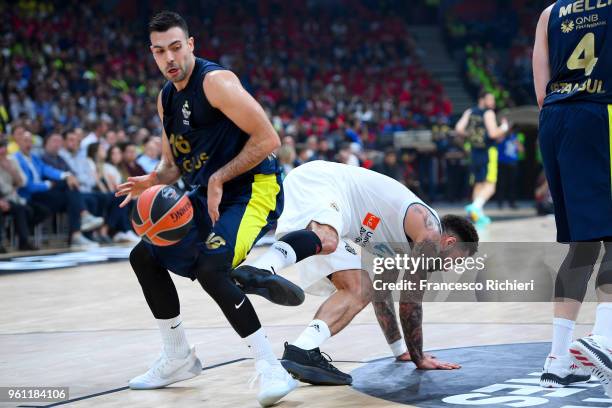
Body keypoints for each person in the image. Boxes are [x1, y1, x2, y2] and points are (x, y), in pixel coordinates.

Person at [115, 11, 301, 406]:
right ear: (152, 54)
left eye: (177, 48)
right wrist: (152, 180)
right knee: (143, 256)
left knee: (211, 267)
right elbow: (170, 167)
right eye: (160, 51)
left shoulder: (216, 82)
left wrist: (218, 178)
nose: (170, 58)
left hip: (253, 189)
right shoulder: (165, 98)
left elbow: (269, 139)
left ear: (191, 45)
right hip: (206, 193)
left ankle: (272, 368)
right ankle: (178, 356)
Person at [232, 160, 478, 385]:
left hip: (339, 218)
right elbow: (410, 302)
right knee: (327, 239)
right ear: (449, 242)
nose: (450, 268)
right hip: (322, 183)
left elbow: (382, 297)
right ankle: (263, 268)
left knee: (361, 288)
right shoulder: (429, 231)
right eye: (457, 260)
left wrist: (399, 349)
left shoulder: (402, 247)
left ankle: (302, 350)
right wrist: (419, 358)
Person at [533, 1, 612, 391]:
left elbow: (541, 88)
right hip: (601, 113)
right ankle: (605, 342)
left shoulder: (550, 13)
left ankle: (557, 359)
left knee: (581, 246)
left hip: (555, 120)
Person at [13, 131, 103, 248]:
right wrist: (47, 185)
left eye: (31, 141)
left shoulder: (34, 158)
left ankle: (77, 233)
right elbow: (27, 185)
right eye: (25, 140)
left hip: (43, 194)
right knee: (68, 189)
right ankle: (82, 221)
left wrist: (65, 175)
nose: (29, 143)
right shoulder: (16, 158)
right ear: (18, 142)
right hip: (30, 195)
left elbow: (47, 169)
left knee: (70, 192)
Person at [455, 91, 509, 225]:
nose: (493, 102)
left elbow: (458, 128)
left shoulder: (469, 112)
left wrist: (472, 135)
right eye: (490, 99)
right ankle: (476, 207)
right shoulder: (489, 113)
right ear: (481, 99)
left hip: (474, 151)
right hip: (488, 151)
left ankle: (476, 215)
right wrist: (504, 127)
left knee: (479, 183)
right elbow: (492, 134)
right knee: (490, 186)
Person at [0, 136, 37, 251]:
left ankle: (23, 241)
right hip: (3, 197)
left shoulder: (12, 161)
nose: (2, 150)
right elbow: (3, 188)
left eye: (4, 147)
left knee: (27, 210)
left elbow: (23, 182)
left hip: (11, 198)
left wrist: (10, 170)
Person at [496, 132, 522, 209]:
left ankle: (512, 203)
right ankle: (500, 203)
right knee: (501, 183)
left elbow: (521, 150)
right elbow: (497, 141)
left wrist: (515, 141)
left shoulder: (515, 137)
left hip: (512, 163)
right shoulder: (501, 136)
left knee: (512, 184)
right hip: (502, 163)